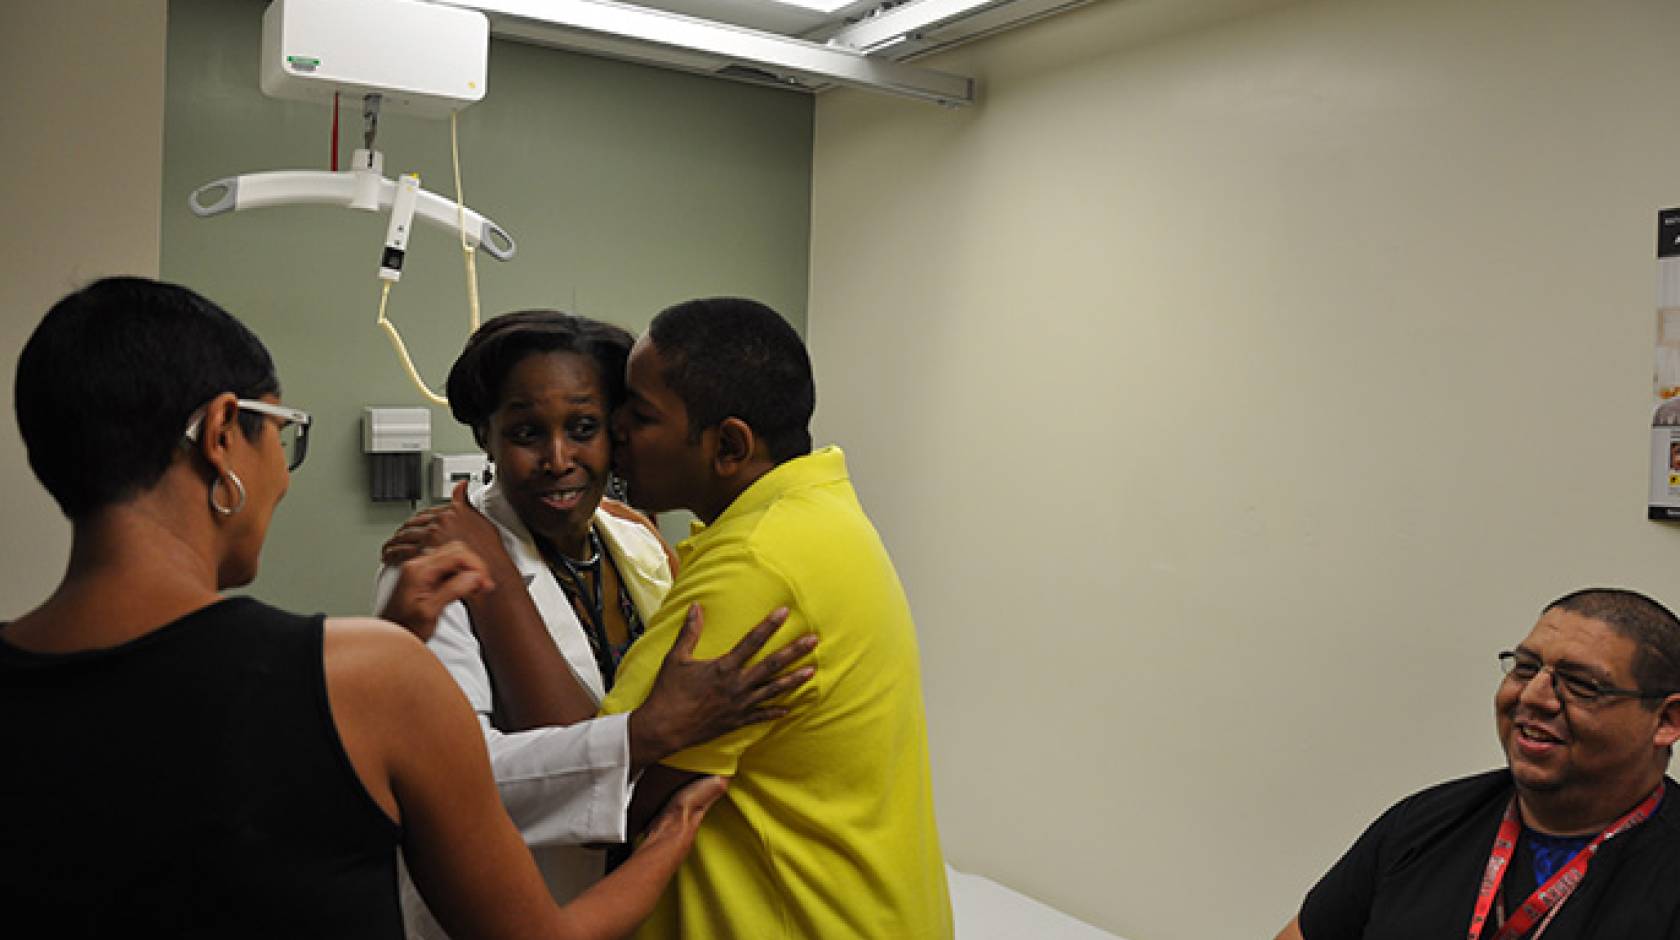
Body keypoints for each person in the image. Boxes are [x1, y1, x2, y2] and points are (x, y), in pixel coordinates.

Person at [0, 276, 727, 939]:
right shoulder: (373, 649)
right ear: (223, 435)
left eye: (586, 427)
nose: (283, 472)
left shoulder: (631, 544)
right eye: (282, 434)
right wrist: (661, 798)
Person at [373, 310, 817, 937]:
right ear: (486, 437)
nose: (559, 459)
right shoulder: (434, 563)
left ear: (617, 431)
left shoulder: (633, 540)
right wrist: (645, 733)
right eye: (526, 432)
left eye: (583, 428)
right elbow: (457, 780)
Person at [598, 297, 953, 938]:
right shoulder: (816, 515)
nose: (613, 425)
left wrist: (500, 590)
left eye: (641, 413)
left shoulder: (757, 565)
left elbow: (605, 799)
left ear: (729, 445)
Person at [1276, 588, 1680, 939]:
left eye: (1581, 685)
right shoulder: (1422, 825)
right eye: (1525, 668)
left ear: (1666, 721)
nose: (1535, 697)